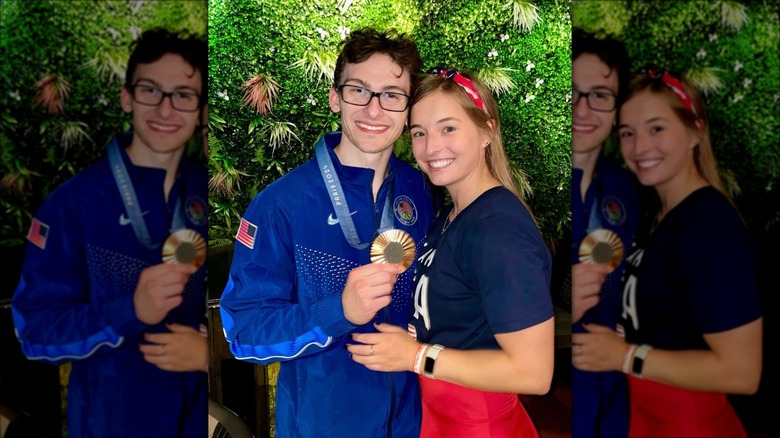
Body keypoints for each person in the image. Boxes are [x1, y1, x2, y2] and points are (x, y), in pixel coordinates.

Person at [219, 28, 436, 437]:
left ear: (408, 109)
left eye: (392, 94)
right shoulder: (280, 205)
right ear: (336, 97)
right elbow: (243, 333)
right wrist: (339, 311)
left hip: (412, 422)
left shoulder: (419, 190)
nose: (374, 109)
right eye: (359, 90)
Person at [11, 29, 209, 437]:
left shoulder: (204, 193)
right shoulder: (72, 205)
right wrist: (128, 311)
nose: (166, 109)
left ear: (201, 110)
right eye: (151, 90)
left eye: (183, 95)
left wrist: (210, 352)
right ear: (127, 98)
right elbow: (35, 334)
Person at [347, 68, 555, 437]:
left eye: (448, 128)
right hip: (443, 415)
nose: (430, 148)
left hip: (479, 422)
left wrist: (415, 356)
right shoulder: (452, 214)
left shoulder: (498, 229)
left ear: (487, 131)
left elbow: (534, 373)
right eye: (419, 133)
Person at [572, 69, 763, 437]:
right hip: (646, 414)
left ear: (695, 130)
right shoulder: (657, 216)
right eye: (628, 133)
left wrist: (625, 356)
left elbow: (742, 372)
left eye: (656, 128)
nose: (640, 147)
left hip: (688, 422)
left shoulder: (708, 226)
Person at [570, 27, 641, 438]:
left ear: (617, 111)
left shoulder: (625, 190)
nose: (582, 109)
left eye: (600, 95)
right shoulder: (541, 195)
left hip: (613, 385)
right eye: (574, 92)